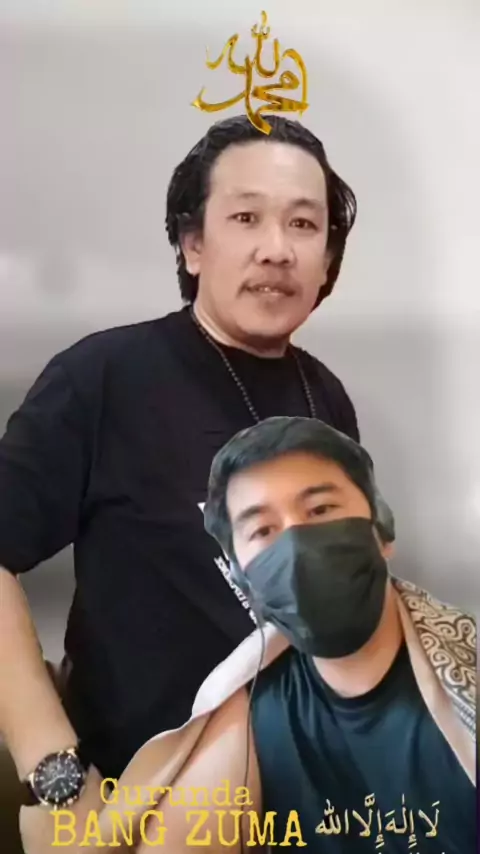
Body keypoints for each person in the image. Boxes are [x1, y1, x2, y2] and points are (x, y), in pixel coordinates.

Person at [0, 114, 359, 844]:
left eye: (303, 224)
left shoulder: (328, 401)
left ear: (326, 261)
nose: (277, 248)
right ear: (193, 244)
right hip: (133, 807)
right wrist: (54, 774)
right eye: (246, 218)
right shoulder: (105, 377)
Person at [113, 416, 475, 853]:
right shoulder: (250, 713)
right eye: (262, 530)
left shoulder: (468, 670)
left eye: (320, 510)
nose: (297, 546)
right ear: (241, 581)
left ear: (381, 529)